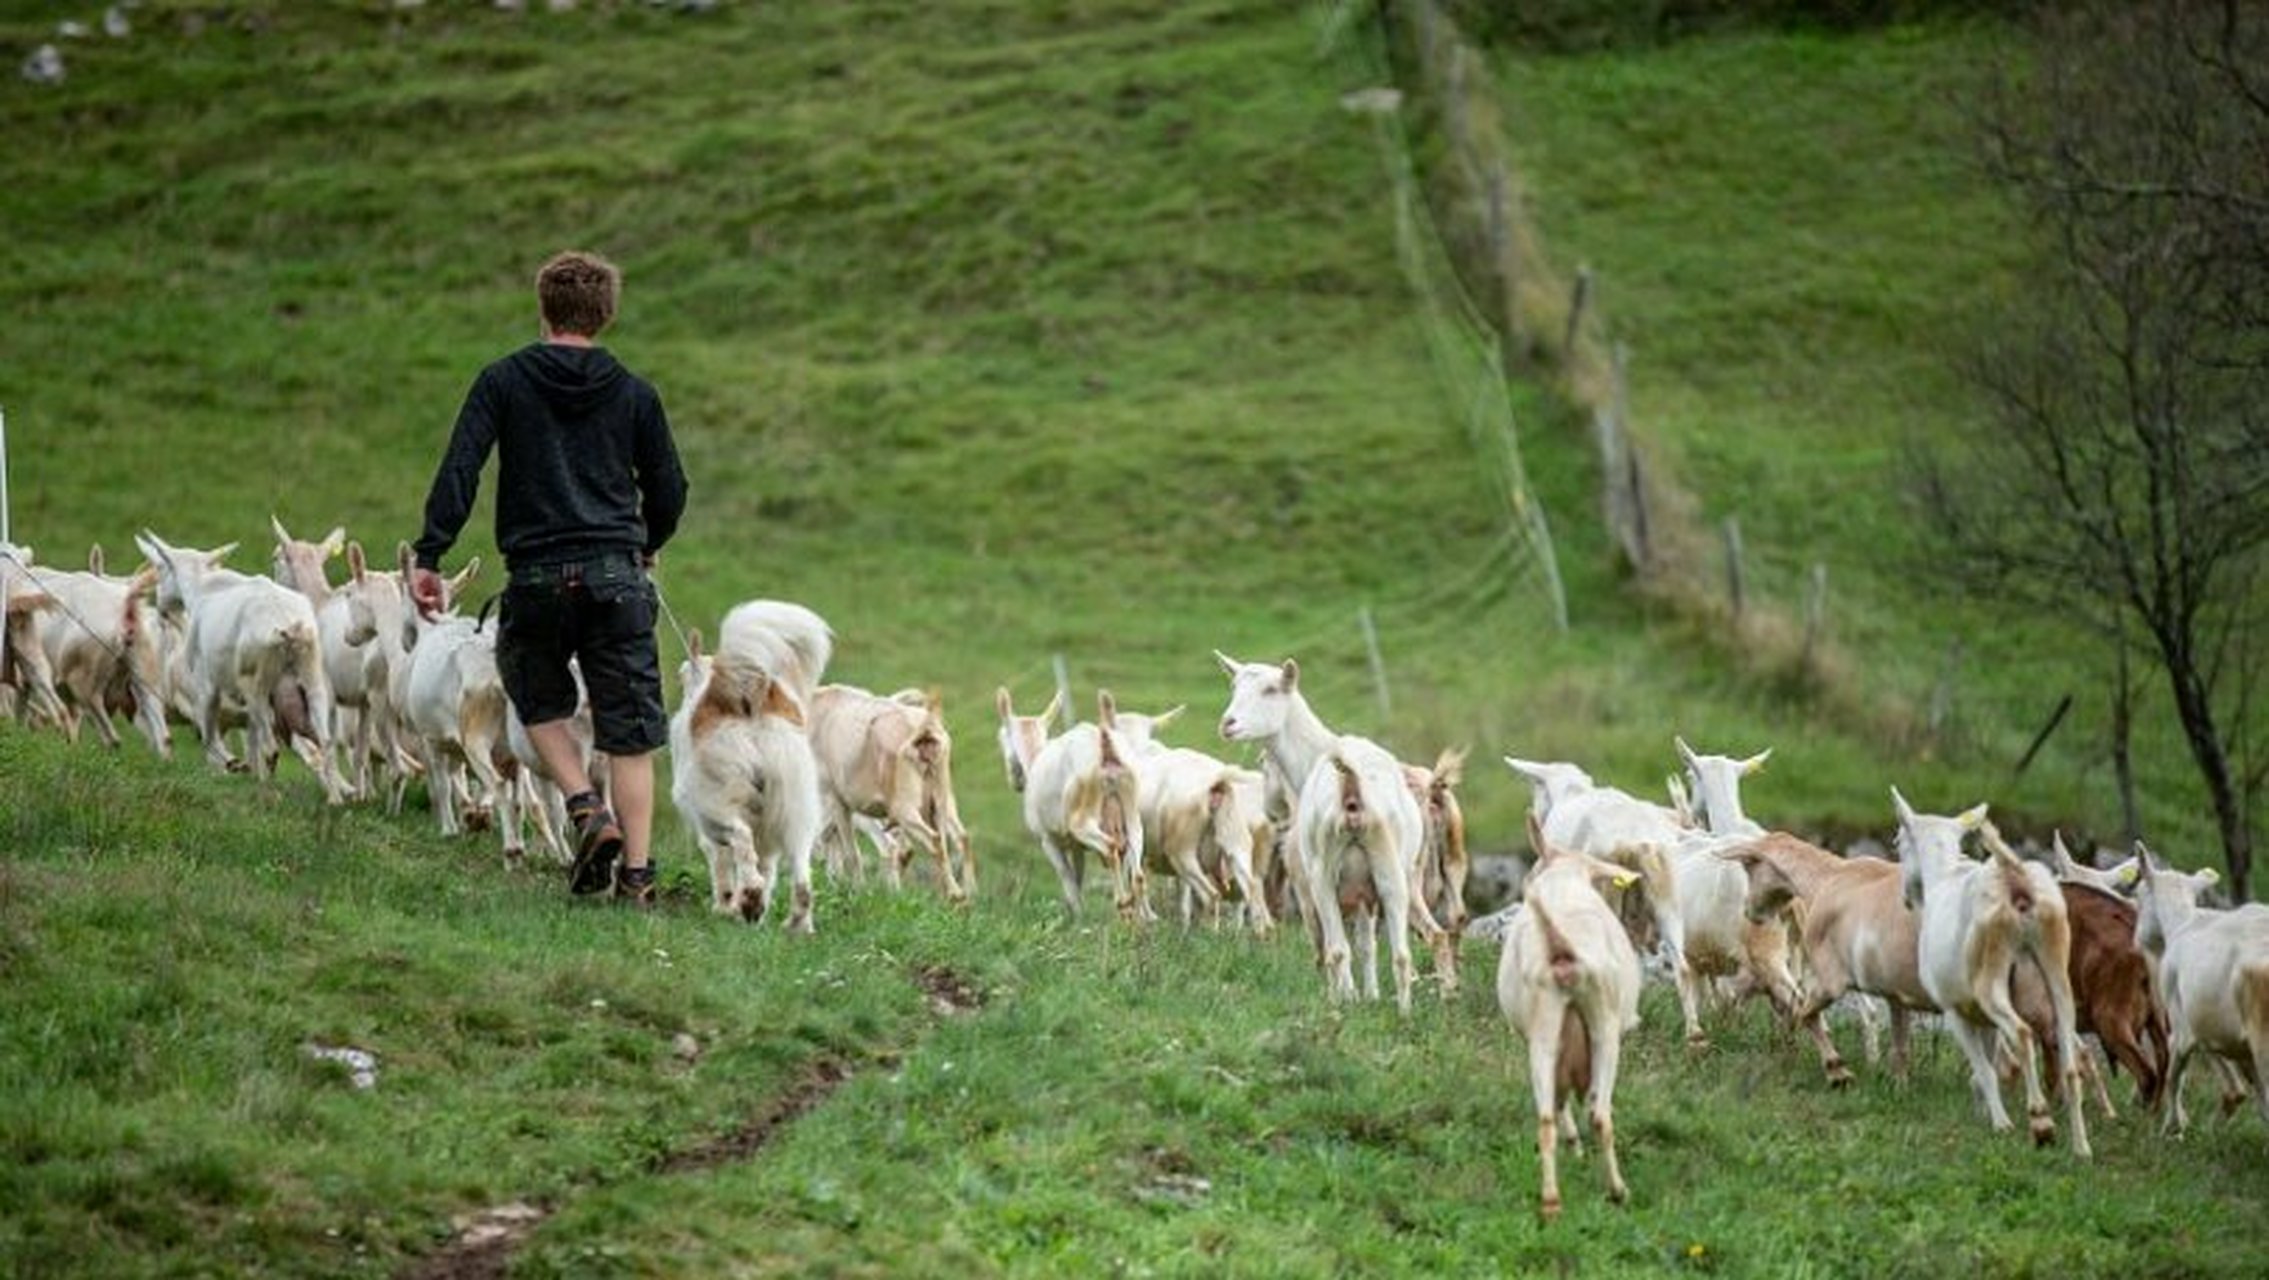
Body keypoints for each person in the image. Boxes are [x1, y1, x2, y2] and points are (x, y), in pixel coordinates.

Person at [410, 250, 688, 905]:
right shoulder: (634, 393)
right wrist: (648, 541)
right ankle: (639, 880)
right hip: (617, 576)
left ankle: (585, 808)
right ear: (606, 313)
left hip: (535, 575)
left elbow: (461, 468)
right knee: (630, 729)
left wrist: (431, 552)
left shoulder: (502, 380)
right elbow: (669, 486)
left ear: (544, 308)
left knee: (534, 696)